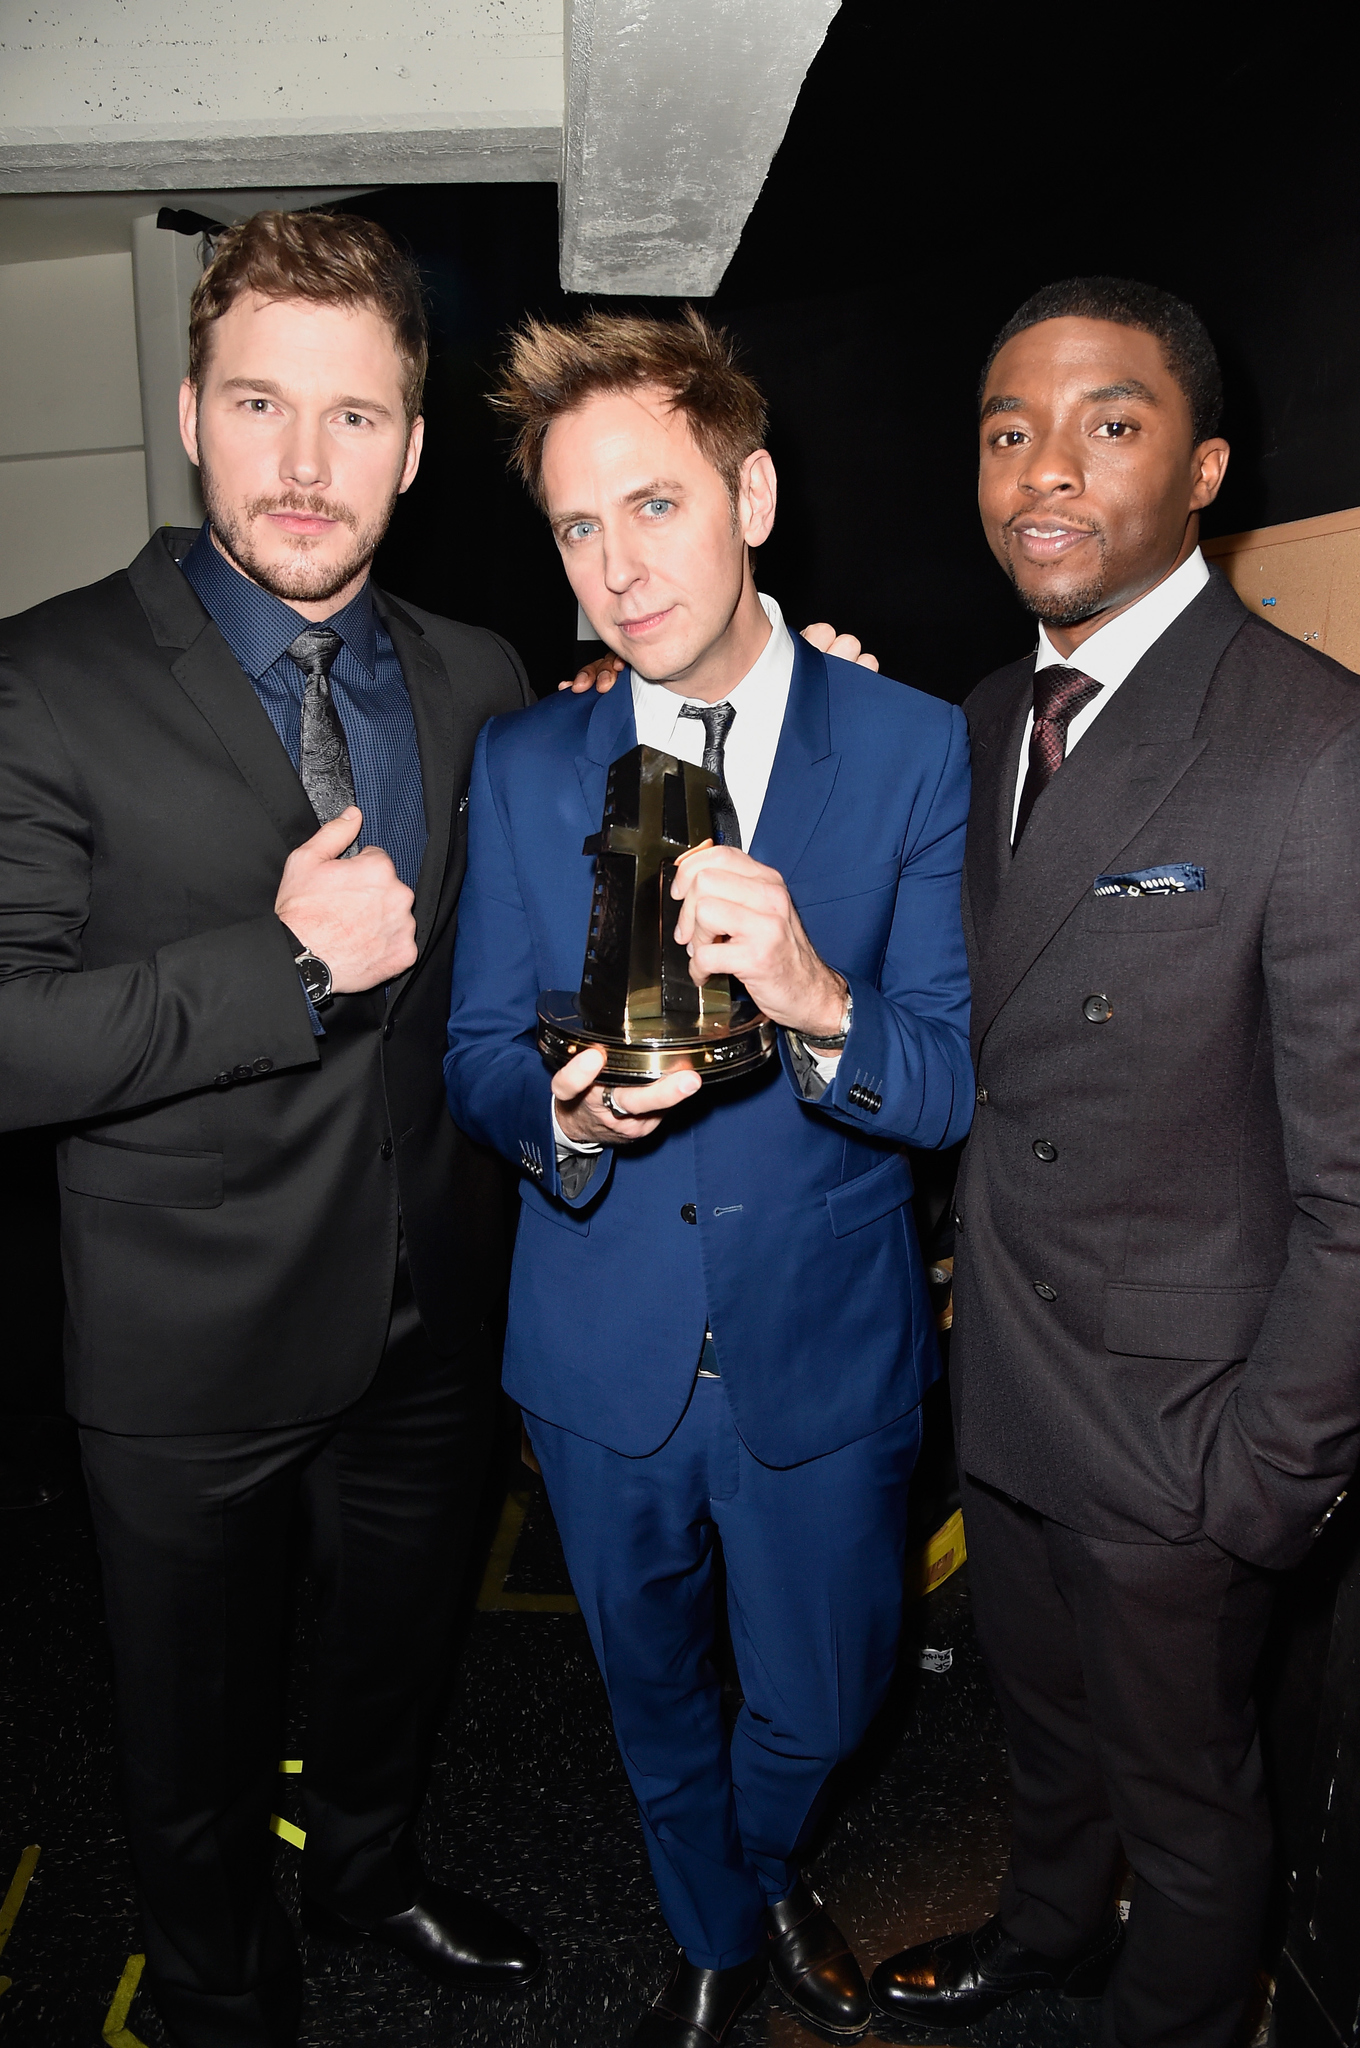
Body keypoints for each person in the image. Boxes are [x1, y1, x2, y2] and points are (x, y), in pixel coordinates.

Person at [0, 210, 541, 2047]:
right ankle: (226, 1994)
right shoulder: (42, 679)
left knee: (397, 1661)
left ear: (409, 445)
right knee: (193, 1728)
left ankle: (369, 1875)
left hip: (438, 1305)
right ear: (189, 414)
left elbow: (532, 931)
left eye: (353, 416)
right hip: (188, 1337)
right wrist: (284, 974)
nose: (305, 464)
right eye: (260, 404)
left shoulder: (479, 678)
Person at [444, 307, 974, 2047]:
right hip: (598, 1359)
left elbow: (951, 1077)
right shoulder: (526, 763)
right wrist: (571, 1124)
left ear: (749, 492)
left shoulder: (911, 750)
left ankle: (743, 1867)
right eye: (579, 528)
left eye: (655, 505)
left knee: (828, 1701)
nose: (616, 565)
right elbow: (473, 1057)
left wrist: (821, 999)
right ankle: (713, 1927)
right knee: (649, 1691)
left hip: (826, 1349)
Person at [860, 280, 1360, 2045]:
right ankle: (1052, 1929)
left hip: (1180, 1430)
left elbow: (1358, 1186)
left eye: (1108, 424)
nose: (1043, 473)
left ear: (1207, 467)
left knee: (1195, 1805)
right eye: (1009, 432)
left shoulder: (1314, 745)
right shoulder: (991, 712)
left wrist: (1262, 1474)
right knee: (1045, 1737)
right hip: (1005, 1378)